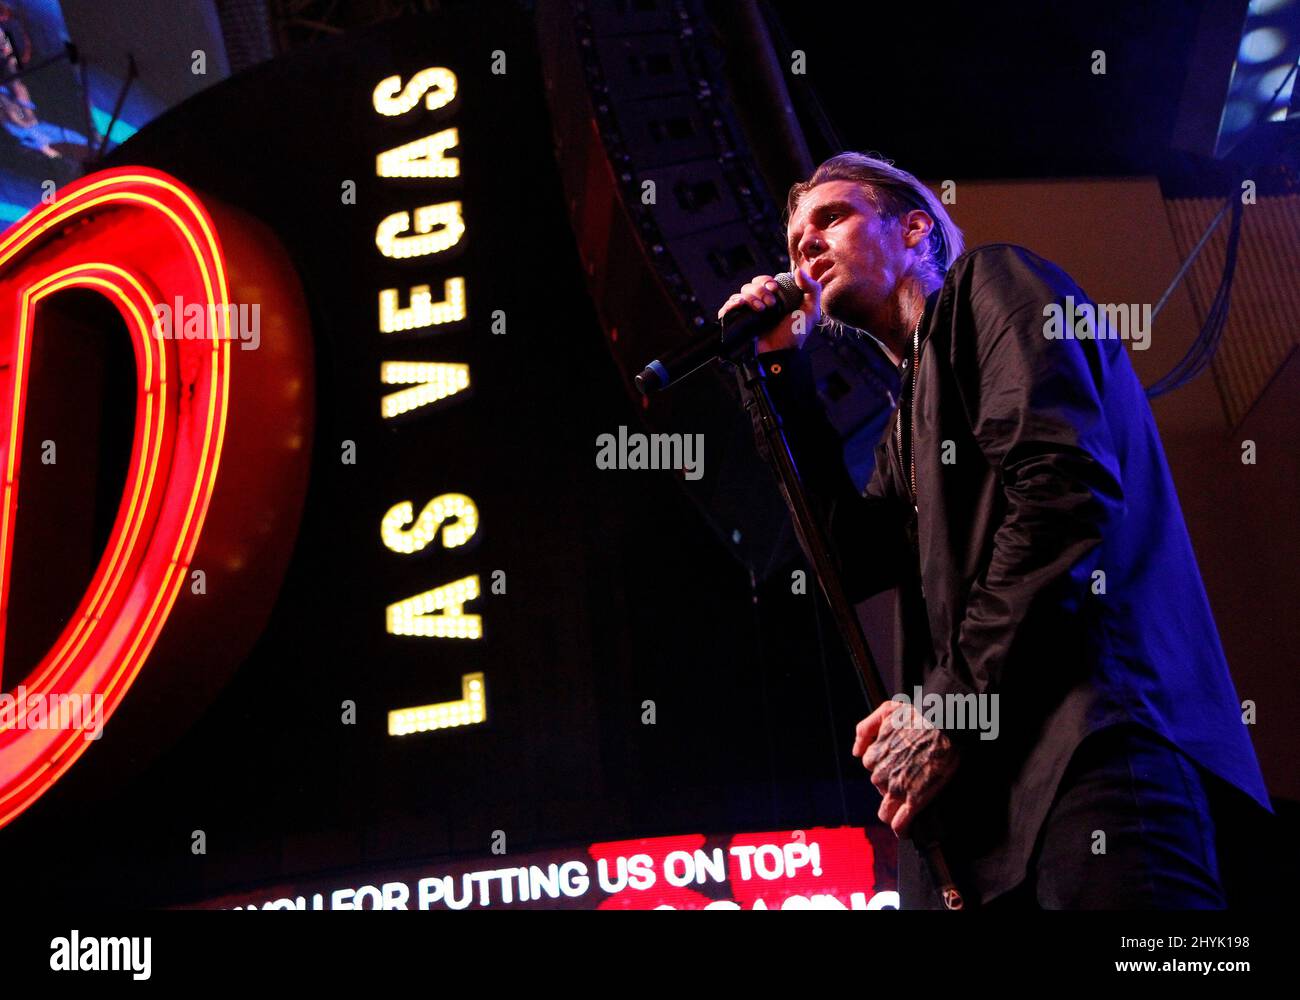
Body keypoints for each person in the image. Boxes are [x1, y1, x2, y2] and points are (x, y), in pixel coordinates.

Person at [719, 152, 1271, 909]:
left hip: (1095, 751)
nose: (805, 246)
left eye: (832, 218)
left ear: (914, 228)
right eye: (793, 241)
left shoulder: (993, 284)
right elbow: (845, 559)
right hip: (989, 813)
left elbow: (1062, 490)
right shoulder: (906, 422)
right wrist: (782, 374)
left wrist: (948, 705)